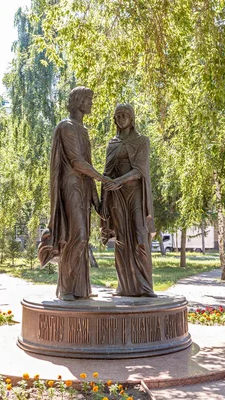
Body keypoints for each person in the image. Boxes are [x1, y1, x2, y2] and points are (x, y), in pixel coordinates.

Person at [38, 87, 111, 301]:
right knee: (76, 236)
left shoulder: (83, 130)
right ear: (78, 100)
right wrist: (103, 178)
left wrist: (97, 202)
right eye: (88, 99)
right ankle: (66, 288)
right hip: (70, 187)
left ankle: (81, 288)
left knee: (83, 237)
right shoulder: (66, 127)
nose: (90, 103)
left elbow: (86, 166)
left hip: (83, 188)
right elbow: (76, 162)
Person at [100, 104, 156, 297]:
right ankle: (123, 286)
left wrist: (119, 181)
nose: (122, 118)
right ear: (114, 119)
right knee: (121, 240)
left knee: (141, 238)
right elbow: (107, 171)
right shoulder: (112, 143)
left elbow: (141, 170)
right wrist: (105, 193)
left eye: (125, 115)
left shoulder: (142, 141)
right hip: (117, 196)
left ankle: (146, 287)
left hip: (135, 196)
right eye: (118, 115)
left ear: (132, 118)